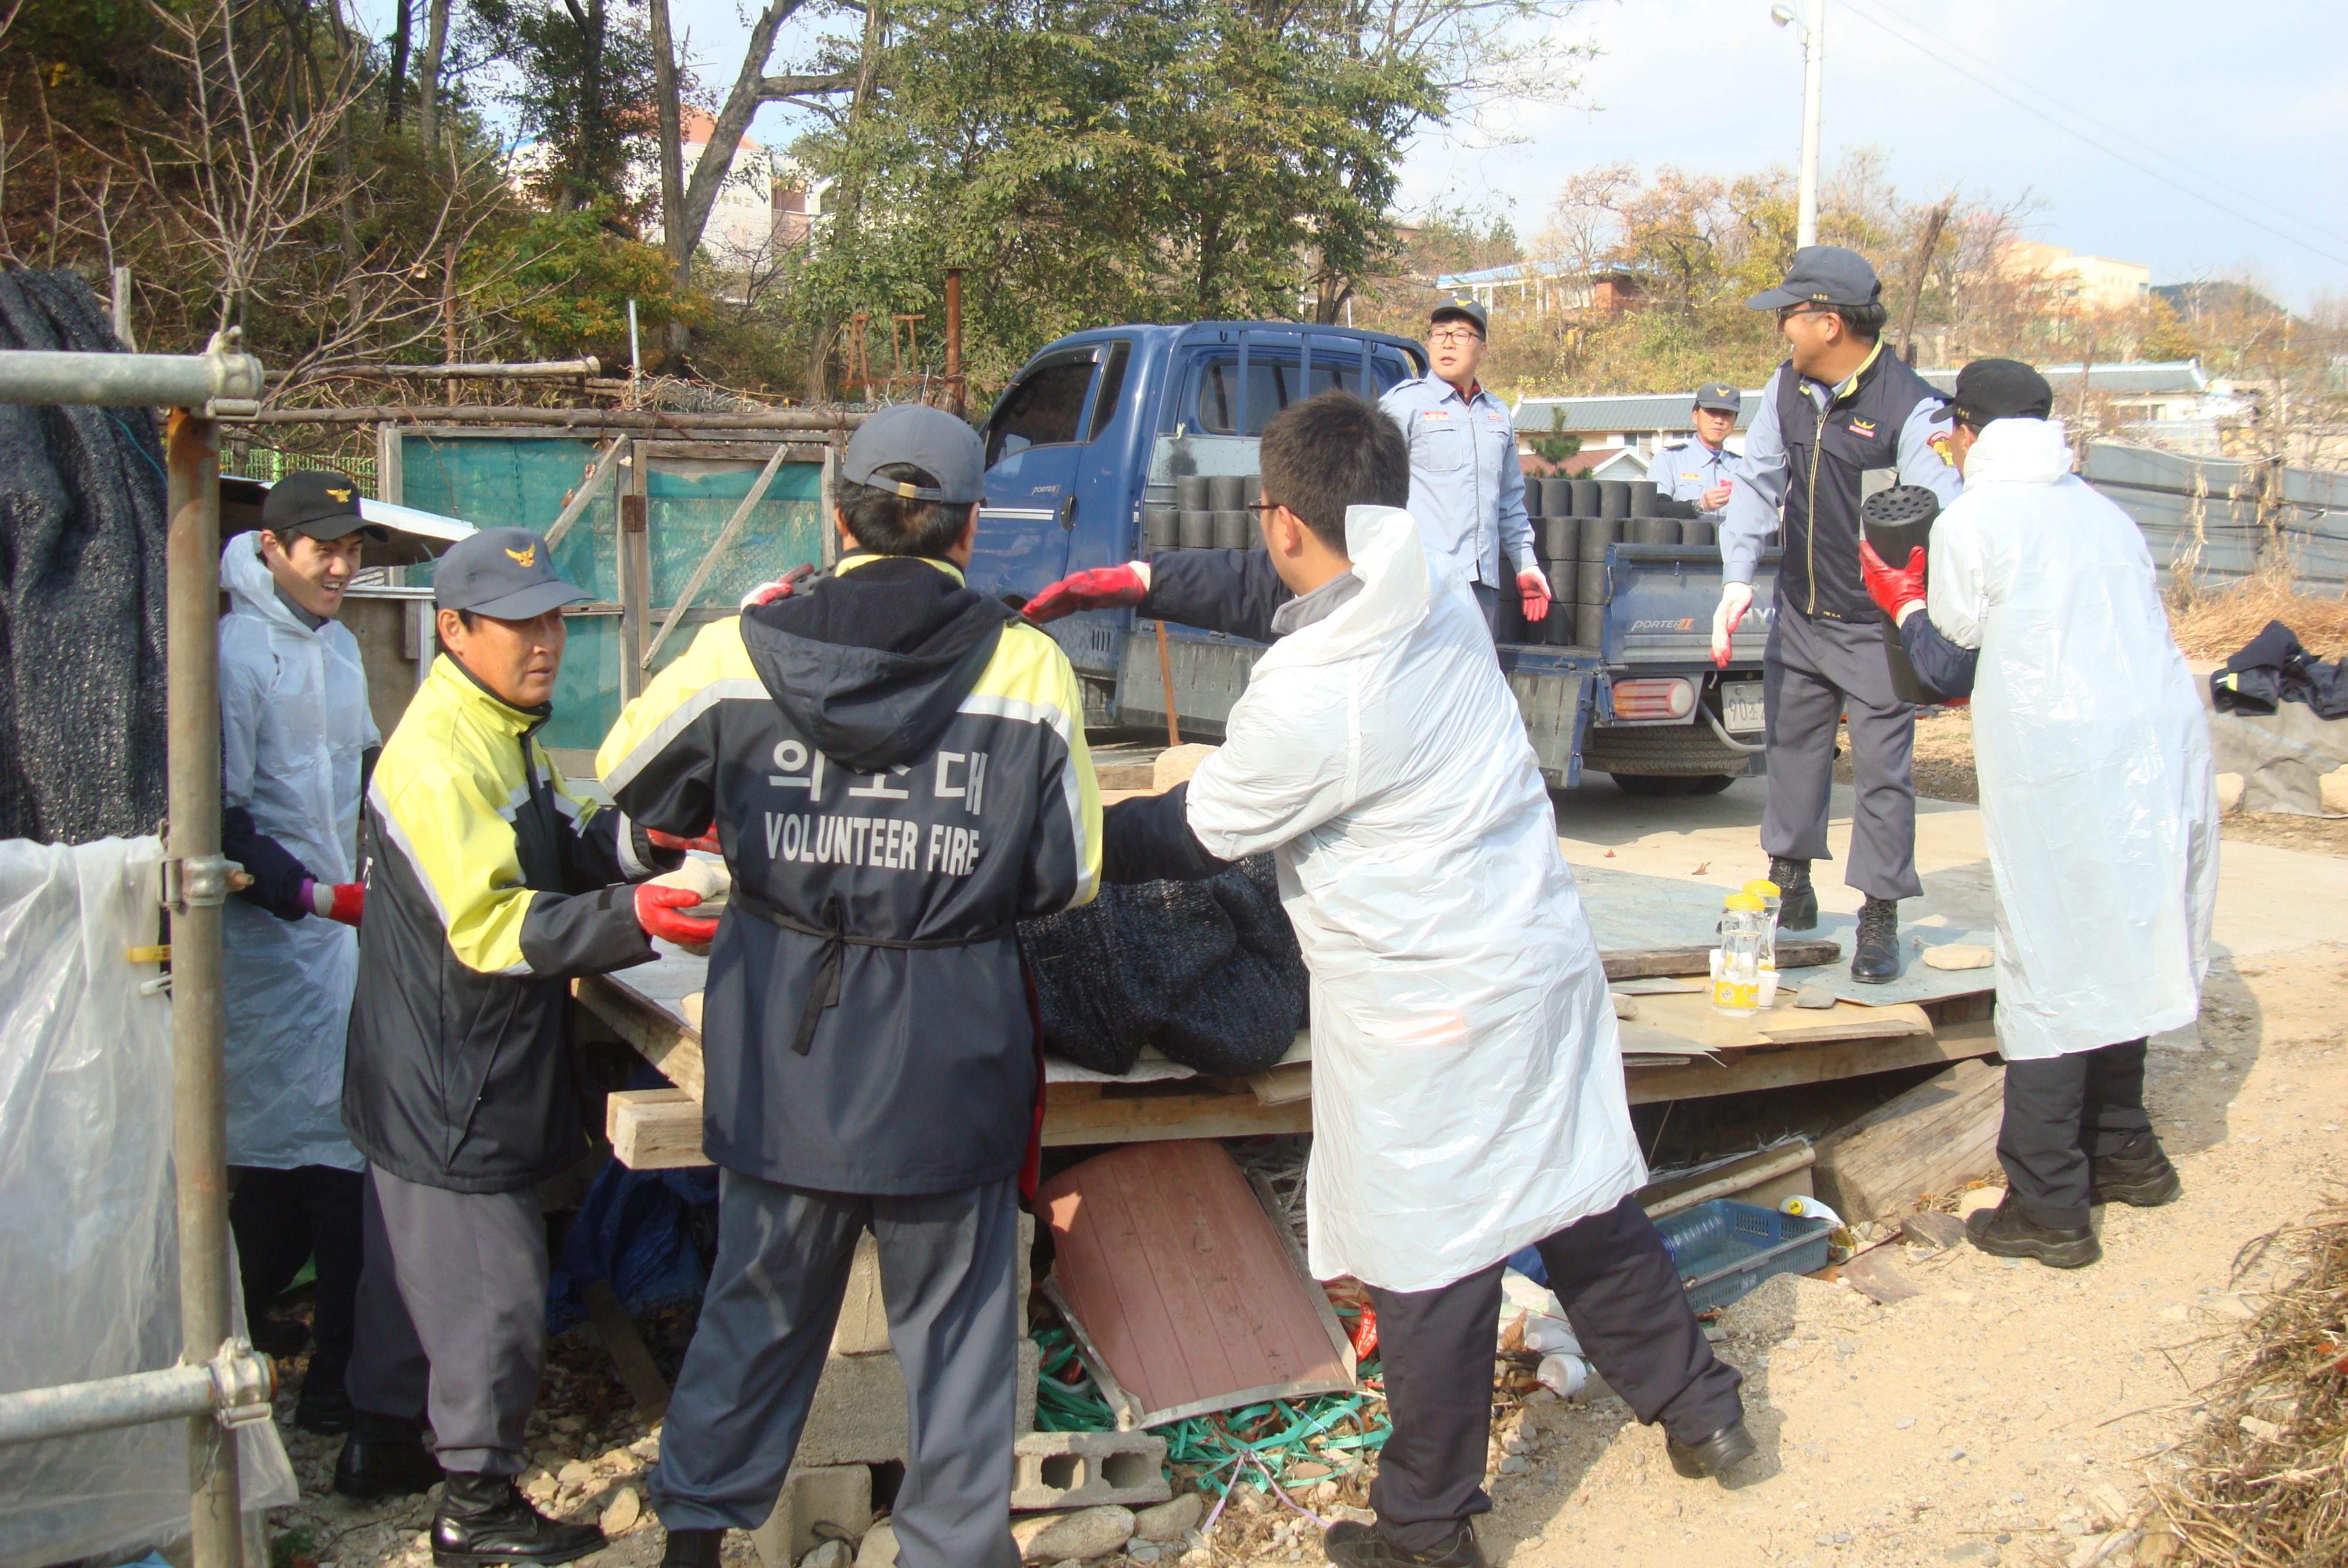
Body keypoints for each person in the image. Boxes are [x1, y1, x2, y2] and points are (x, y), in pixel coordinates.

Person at [1095, 390, 1749, 1568]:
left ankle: (1425, 1533)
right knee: (1575, 1198)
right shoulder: (1434, 583)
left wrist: (1054, 845)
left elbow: (1190, 833)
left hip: (1429, 1005)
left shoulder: (1318, 693)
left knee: (1430, 1262)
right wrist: (1144, 582)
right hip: (1534, 959)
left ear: (1280, 519)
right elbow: (1274, 587)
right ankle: (1702, 1408)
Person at [592, 404, 1101, 1568]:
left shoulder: (743, 648)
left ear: (837, 519)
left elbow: (629, 774)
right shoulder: (1024, 667)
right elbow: (1069, 873)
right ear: (969, 530)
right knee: (959, 1336)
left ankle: (694, 1541)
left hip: (788, 1047)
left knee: (757, 1303)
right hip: (951, 1051)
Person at [334, 527, 713, 1567]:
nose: (544, 641)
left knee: (412, 1275)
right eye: (519, 624)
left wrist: (655, 842)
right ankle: (477, 1508)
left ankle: (379, 1443)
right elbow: (492, 923)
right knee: (491, 1295)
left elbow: (561, 841)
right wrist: (642, 917)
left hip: (433, 1064)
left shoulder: (501, 728)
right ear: (453, 630)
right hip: (450, 1074)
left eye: (552, 618)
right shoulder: (438, 759)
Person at [1857, 359, 2217, 1269]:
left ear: (1967, 431)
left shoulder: (1975, 518)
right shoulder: (2103, 511)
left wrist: (1901, 598)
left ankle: (2050, 1202)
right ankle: (2126, 1153)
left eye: (1950, 432)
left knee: (2052, 964)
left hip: (2067, 766)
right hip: (2158, 754)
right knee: (2121, 942)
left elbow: (1947, 669)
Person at [1014, 296, 1549, 648]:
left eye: (1462, 334)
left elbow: (1508, 502)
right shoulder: (1404, 406)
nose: (1448, 341)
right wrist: (1148, 578)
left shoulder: (1498, 416)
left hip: (1479, 584)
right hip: (1419, 578)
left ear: (1483, 347)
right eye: (1439, 332)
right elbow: (1360, 501)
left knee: (1469, 690)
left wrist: (1525, 566)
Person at [1714, 246, 1964, 982]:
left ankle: (1879, 912)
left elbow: (1941, 516)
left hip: (1874, 625)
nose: (1781, 330)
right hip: (1800, 610)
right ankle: (1790, 882)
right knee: (1793, 749)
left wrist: (1923, 613)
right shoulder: (1785, 388)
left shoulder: (1913, 409)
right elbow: (1758, 483)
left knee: (1883, 772)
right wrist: (1737, 579)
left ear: (1828, 324)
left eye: (1789, 316)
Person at [217, 471, 386, 1434]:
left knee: (309, 1162)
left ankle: (264, 1352)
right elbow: (220, 816)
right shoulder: (235, 655)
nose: (341, 567)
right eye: (324, 549)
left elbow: (364, 772)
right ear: (272, 548)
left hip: (337, 937)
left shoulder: (341, 647)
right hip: (271, 949)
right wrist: (312, 895)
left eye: (352, 550)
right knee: (317, 1163)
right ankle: (330, 1389)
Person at [1650, 383, 1744, 521]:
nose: (1719, 420)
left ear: (1735, 421)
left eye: (1727, 414)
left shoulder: (1744, 468)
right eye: (1712, 412)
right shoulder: (1669, 460)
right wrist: (1699, 506)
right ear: (1695, 416)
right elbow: (1655, 510)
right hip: (1686, 535)